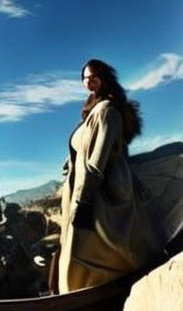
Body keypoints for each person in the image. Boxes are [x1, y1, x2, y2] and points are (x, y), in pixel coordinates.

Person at [52, 58, 156, 293]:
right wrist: (72, 161)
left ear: (103, 78)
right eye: (84, 78)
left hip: (95, 192)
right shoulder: (94, 110)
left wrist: (85, 197)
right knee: (77, 245)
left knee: (86, 247)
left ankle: (86, 294)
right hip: (84, 187)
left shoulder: (107, 111)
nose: (88, 81)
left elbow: (99, 158)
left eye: (92, 77)